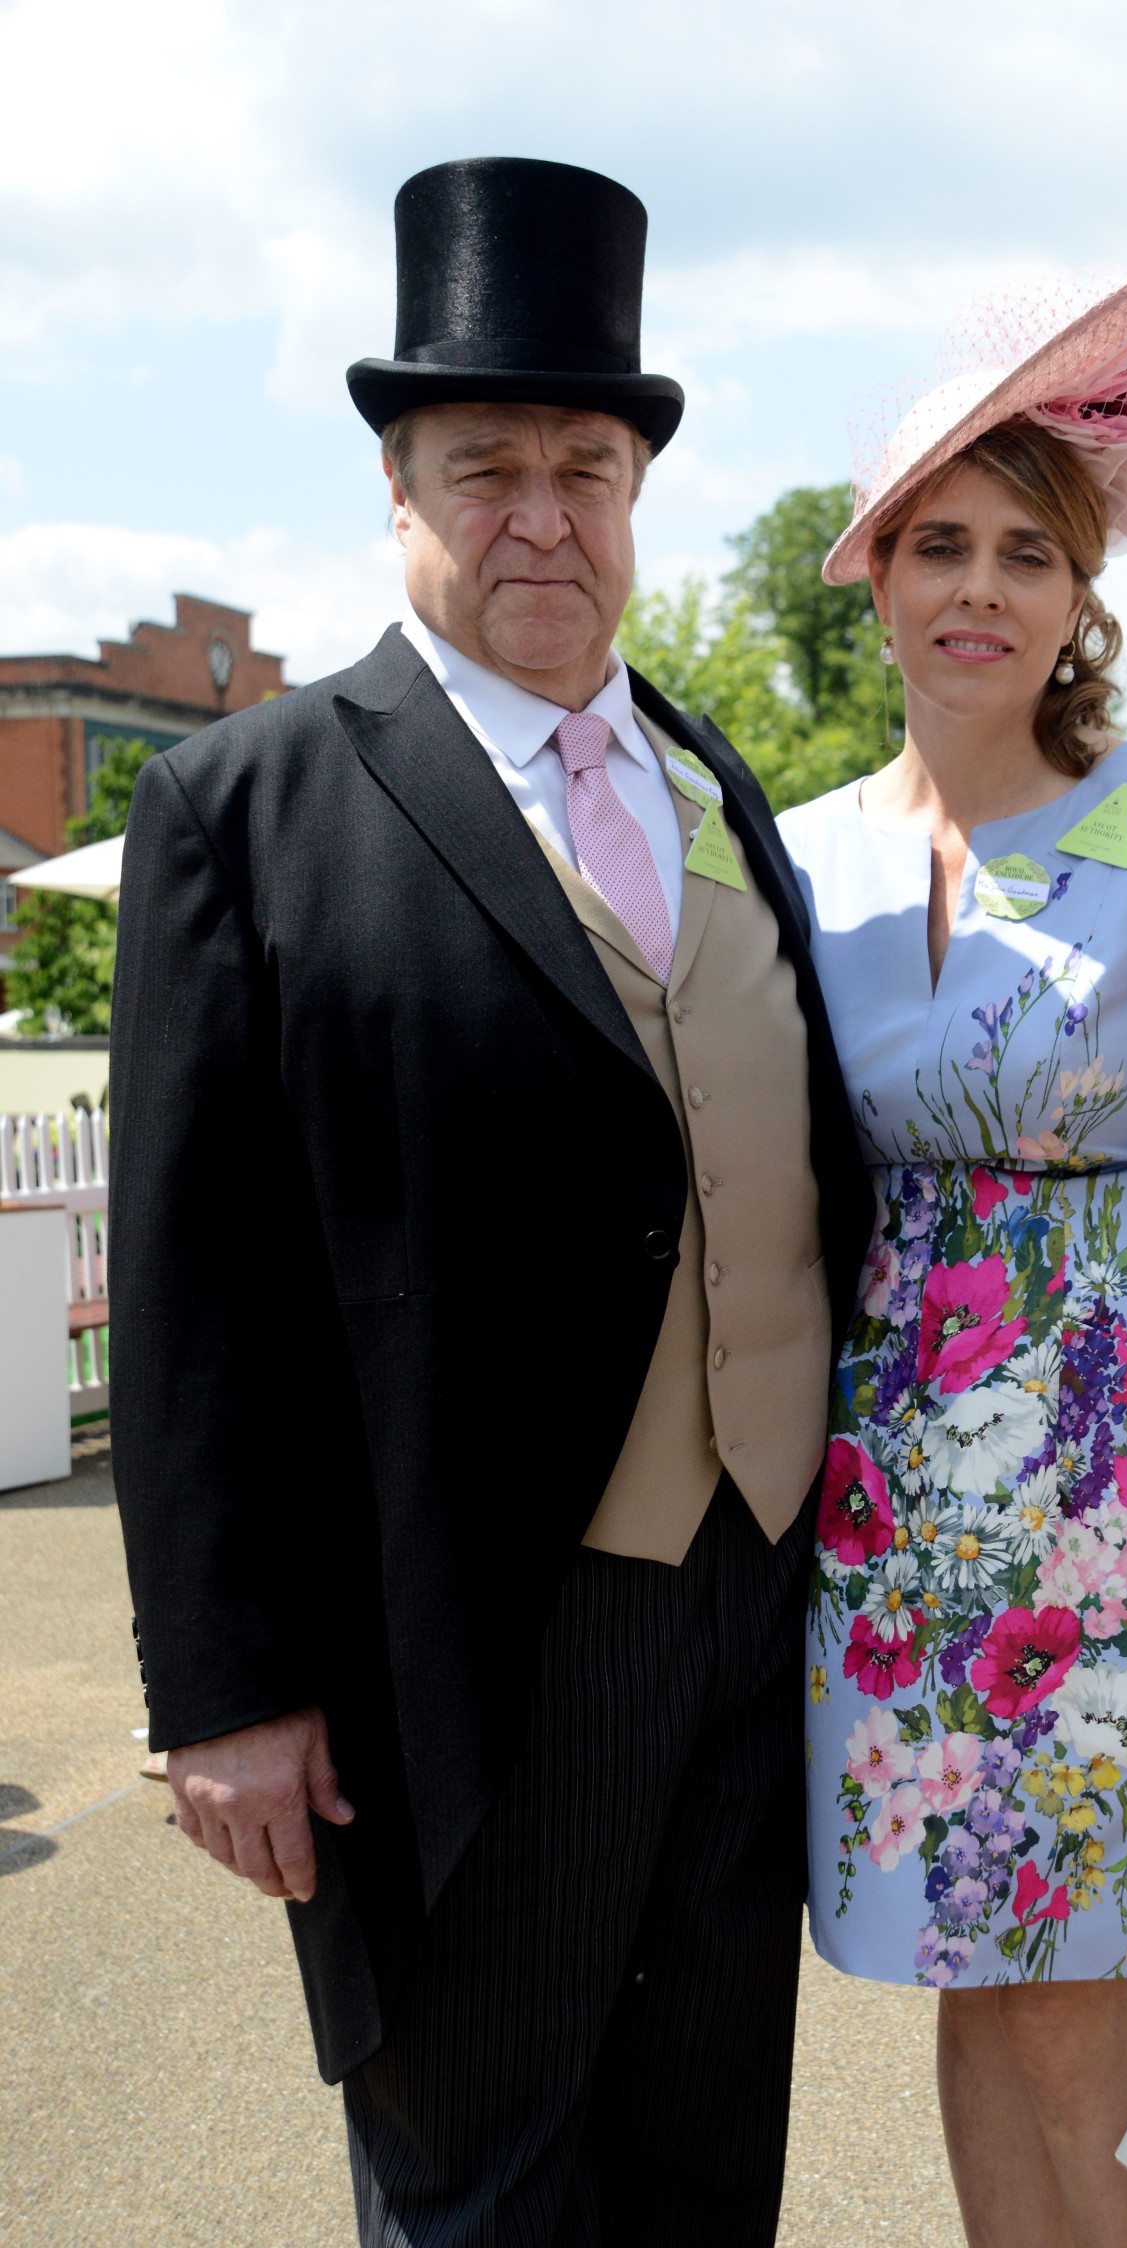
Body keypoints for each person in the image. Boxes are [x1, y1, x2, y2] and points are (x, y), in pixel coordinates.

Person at [109, 157, 871, 2247]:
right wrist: (222, 1686)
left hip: (750, 1590)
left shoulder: (716, 780)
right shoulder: (243, 805)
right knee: (487, 2176)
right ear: (399, 490)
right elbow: (189, 1294)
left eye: (587, 464)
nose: (544, 512)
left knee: (708, 2157)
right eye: (487, 468)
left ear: (638, 491)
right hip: (467, 1626)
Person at [777, 263, 1127, 2248]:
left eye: (1026, 549)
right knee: (959, 1956)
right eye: (939, 544)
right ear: (885, 576)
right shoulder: (806, 845)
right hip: (889, 1494)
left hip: (1109, 1482)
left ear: (1083, 591)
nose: (978, 588)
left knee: (1076, 1970)